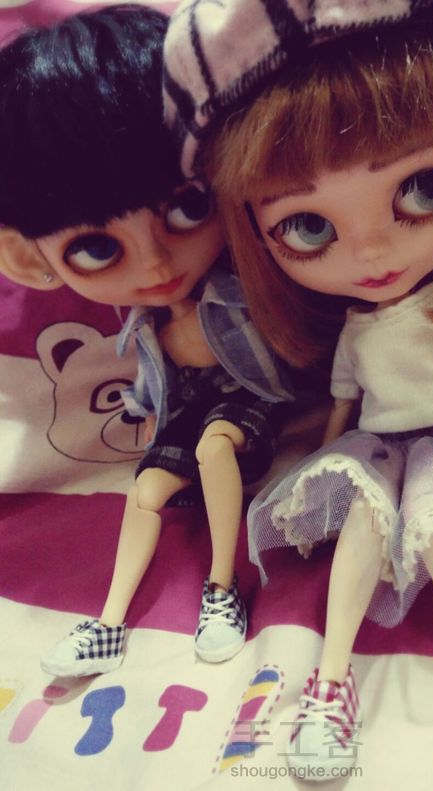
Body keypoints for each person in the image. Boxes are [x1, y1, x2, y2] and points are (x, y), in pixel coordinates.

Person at [163, 2, 433, 789]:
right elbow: (341, 403)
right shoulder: (356, 331)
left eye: (424, 187)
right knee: (361, 528)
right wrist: (324, 463)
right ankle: (329, 682)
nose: (370, 252)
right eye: (306, 226)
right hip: (374, 443)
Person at [0, 4, 294, 676]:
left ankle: (221, 588)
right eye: (98, 248)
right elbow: (152, 376)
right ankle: (108, 623)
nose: (157, 263)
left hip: (247, 401)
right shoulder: (141, 320)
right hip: (186, 409)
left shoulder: (243, 286)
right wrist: (139, 403)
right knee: (147, 490)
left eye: (189, 207)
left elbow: (295, 342)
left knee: (216, 449)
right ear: (25, 259)